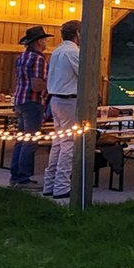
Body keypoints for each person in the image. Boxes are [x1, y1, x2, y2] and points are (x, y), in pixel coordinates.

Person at [8, 25, 51, 189]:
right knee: (31, 141)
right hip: (33, 102)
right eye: (45, 40)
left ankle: (15, 176)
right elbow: (37, 85)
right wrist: (51, 85)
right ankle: (24, 179)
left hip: (20, 100)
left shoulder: (21, 57)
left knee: (21, 139)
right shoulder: (38, 59)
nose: (46, 43)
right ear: (39, 42)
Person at [42, 20, 81, 201]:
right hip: (68, 99)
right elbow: (85, 74)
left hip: (55, 99)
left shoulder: (57, 51)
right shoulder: (73, 52)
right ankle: (62, 186)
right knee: (68, 143)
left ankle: (49, 184)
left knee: (58, 142)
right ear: (78, 33)